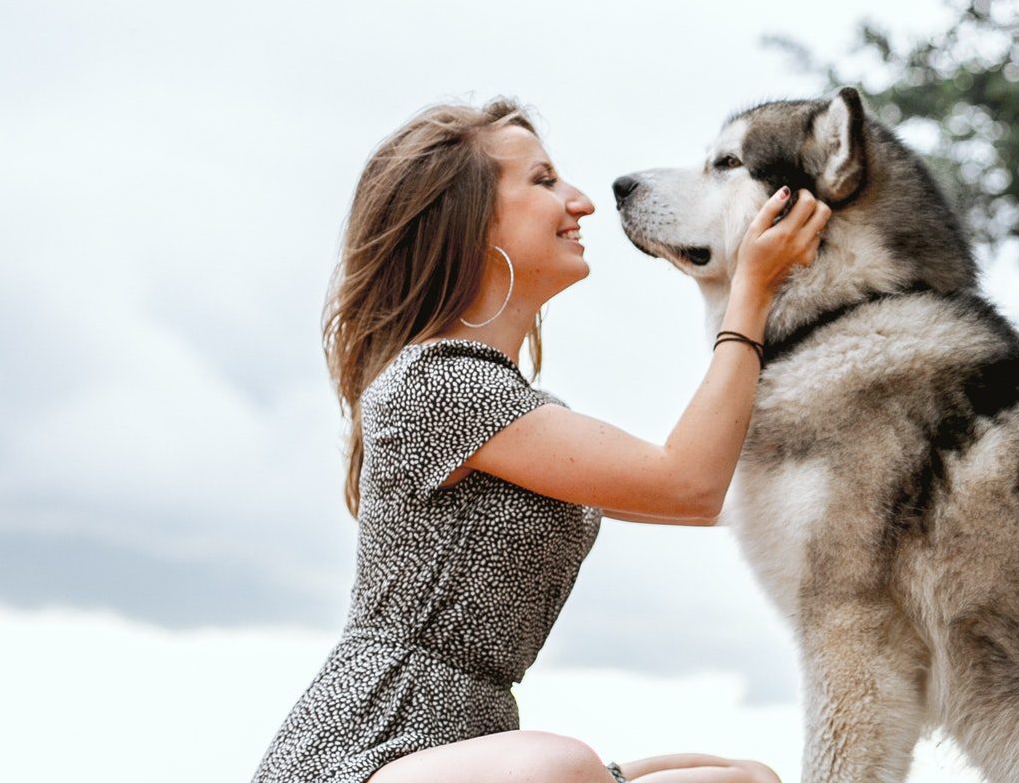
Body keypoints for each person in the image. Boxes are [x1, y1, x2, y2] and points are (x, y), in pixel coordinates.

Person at [249, 96, 828, 783]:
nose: (581, 201)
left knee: (742, 781)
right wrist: (749, 296)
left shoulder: (517, 410)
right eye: (545, 180)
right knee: (557, 763)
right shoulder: (437, 387)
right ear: (468, 220)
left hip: (478, 744)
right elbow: (689, 484)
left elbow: (715, 492)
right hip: (364, 751)